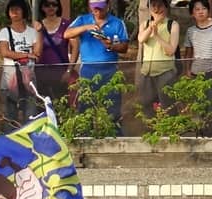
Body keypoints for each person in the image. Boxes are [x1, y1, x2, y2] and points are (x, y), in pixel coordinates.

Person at [65, 0, 128, 128]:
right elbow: (66, 34)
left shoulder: (117, 22)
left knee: (112, 105)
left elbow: (125, 47)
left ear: (108, 5)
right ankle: (85, 135)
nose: (97, 11)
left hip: (110, 68)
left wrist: (111, 46)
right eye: (95, 8)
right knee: (86, 105)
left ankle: (114, 134)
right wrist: (86, 27)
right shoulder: (82, 19)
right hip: (88, 68)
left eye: (100, 8)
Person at [179, 0, 212, 133]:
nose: (201, 12)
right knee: (198, 106)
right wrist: (187, 70)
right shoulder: (191, 31)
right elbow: (189, 52)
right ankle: (200, 134)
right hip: (197, 74)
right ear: (192, 13)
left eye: (203, 9)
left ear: (208, 10)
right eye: (197, 9)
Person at [0, 0, 41, 124]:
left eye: (18, 9)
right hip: (10, 77)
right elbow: (5, 52)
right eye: (12, 9)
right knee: (10, 114)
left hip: (29, 77)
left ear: (24, 11)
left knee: (31, 113)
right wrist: (26, 54)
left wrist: (40, 31)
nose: (14, 12)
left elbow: (37, 53)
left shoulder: (32, 32)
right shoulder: (4, 32)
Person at [136, 0, 179, 118]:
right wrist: (152, 26)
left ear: (165, 7)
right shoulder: (144, 25)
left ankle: (171, 134)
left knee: (168, 107)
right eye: (153, 6)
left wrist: (157, 36)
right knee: (148, 107)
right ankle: (152, 132)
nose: (156, 9)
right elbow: (141, 39)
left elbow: (170, 50)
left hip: (165, 73)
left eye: (159, 5)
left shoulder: (172, 25)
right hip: (147, 73)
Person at [33, 0, 72, 105]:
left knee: (62, 106)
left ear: (58, 6)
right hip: (41, 73)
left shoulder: (67, 24)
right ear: (42, 7)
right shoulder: (37, 26)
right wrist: (39, 31)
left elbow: (76, 47)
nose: (51, 7)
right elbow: (35, 51)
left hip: (60, 72)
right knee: (42, 106)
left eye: (54, 4)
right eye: (47, 4)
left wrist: (69, 70)